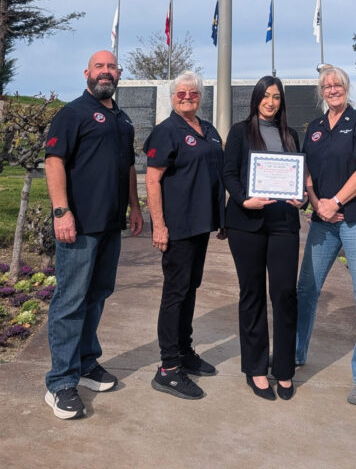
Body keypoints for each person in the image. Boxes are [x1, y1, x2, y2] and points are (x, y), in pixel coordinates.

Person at [44, 49, 143, 420]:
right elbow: (54, 162)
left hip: (110, 224)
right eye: (99, 66)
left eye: (111, 67)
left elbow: (129, 166)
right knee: (70, 300)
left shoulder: (123, 119)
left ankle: (85, 363)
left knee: (98, 295)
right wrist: (61, 210)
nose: (105, 72)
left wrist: (135, 206)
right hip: (79, 225)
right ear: (87, 72)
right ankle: (60, 382)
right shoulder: (72, 114)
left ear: (119, 73)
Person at [295, 64, 356, 405]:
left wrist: (335, 202)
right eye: (327, 86)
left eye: (338, 84)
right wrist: (317, 203)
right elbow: (307, 173)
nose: (332, 89)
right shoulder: (314, 128)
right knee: (306, 289)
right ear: (321, 92)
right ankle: (295, 353)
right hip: (322, 219)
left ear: (346, 88)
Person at [223, 76, 305, 401]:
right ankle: (256, 369)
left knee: (285, 294)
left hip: (284, 223)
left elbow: (300, 178)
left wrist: (303, 198)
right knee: (253, 294)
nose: (271, 102)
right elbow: (228, 173)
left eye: (276, 97)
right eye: (266, 96)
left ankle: (283, 370)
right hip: (247, 223)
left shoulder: (291, 135)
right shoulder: (240, 132)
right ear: (256, 98)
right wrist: (244, 199)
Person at [145, 71, 225, 400]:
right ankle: (168, 368)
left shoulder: (208, 130)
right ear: (172, 98)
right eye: (181, 94)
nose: (187, 98)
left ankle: (184, 351)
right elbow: (152, 180)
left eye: (192, 94)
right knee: (175, 294)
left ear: (200, 97)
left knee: (190, 289)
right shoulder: (166, 132)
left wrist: (220, 218)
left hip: (201, 226)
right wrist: (159, 226)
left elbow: (215, 175)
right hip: (177, 228)